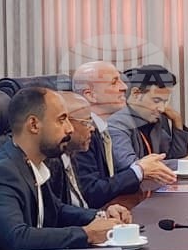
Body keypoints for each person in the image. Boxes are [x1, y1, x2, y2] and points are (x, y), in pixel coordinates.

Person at [0, 87, 132, 250]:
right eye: (61, 120)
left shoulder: (31, 162)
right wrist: (87, 234)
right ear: (34, 125)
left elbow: (57, 210)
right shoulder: (0, 173)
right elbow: (17, 238)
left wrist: (101, 216)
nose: (70, 128)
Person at [72, 61, 176, 206]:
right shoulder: (80, 134)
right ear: (91, 95)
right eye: (114, 82)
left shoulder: (101, 130)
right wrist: (140, 170)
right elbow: (91, 192)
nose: (124, 87)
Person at [108, 64, 188, 173]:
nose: (162, 109)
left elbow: (174, 157)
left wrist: (177, 121)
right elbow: (131, 166)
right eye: (156, 101)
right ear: (136, 93)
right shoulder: (117, 123)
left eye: (165, 102)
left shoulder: (153, 119)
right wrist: (185, 163)